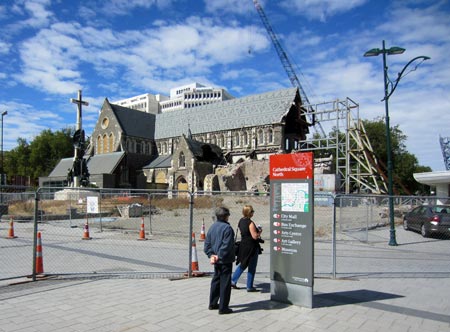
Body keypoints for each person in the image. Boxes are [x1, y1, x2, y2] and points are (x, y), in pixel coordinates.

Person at [204, 206, 235, 314]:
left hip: (216, 260)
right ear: (226, 216)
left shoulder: (212, 227)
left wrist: (211, 255)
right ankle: (223, 307)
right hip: (225, 260)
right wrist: (219, 256)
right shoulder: (227, 229)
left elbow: (207, 244)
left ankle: (212, 303)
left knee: (216, 281)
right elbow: (226, 245)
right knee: (225, 283)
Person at [232, 204, 263, 292]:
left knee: (243, 264)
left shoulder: (241, 221)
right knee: (252, 267)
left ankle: (233, 280)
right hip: (251, 247)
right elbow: (255, 236)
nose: (253, 213)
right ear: (250, 213)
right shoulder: (250, 223)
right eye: (252, 211)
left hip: (243, 245)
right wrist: (259, 231)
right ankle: (249, 286)